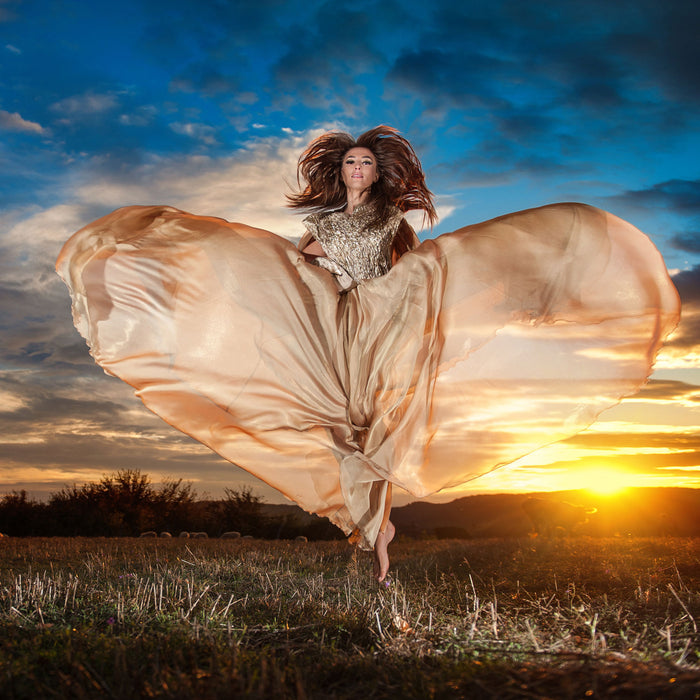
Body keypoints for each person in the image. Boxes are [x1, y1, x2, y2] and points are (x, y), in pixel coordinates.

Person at [56, 126, 680, 582]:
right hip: (335, 320)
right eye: (350, 163)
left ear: (377, 172)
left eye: (364, 163)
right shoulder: (324, 225)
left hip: (381, 322)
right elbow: (295, 264)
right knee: (334, 423)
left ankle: (380, 543)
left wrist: (413, 290)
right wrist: (286, 279)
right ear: (340, 171)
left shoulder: (391, 214)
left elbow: (410, 266)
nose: (357, 169)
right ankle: (369, 524)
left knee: (377, 425)